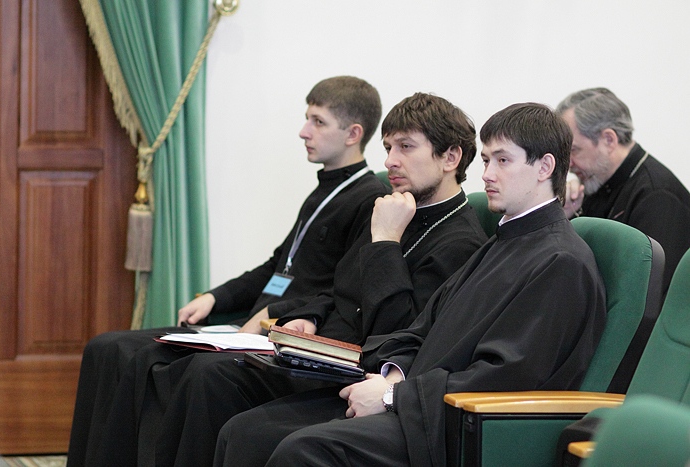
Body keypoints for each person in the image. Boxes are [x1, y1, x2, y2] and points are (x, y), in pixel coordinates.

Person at [92, 93, 488, 467]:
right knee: (201, 372)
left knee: (214, 382)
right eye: (387, 148)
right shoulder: (396, 211)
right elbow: (339, 288)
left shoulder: (459, 242)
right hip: (317, 350)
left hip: (351, 372)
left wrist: (385, 242)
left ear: (450, 157)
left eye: (405, 147)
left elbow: (397, 333)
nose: (390, 161)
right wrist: (309, 317)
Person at [213, 102, 608, 467]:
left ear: (544, 167)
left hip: (455, 428)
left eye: (503, 160)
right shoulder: (502, 242)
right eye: (487, 160)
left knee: (302, 449)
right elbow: (423, 329)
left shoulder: (561, 263)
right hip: (418, 401)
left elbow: (507, 377)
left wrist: (392, 395)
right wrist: (392, 376)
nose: (487, 174)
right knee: (244, 431)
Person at [67, 75, 389, 467]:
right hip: (248, 323)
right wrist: (214, 297)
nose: (304, 131)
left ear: (353, 133)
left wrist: (275, 313)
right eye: (307, 118)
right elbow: (276, 266)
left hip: (279, 334)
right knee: (105, 348)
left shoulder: (369, 199)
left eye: (318, 122)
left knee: (145, 361)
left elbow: (343, 292)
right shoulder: (324, 190)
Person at [557, 87, 690, 293]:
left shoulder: (658, 196)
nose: (569, 164)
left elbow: (648, 295)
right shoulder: (596, 181)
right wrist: (565, 214)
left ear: (609, 140)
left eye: (574, 150)